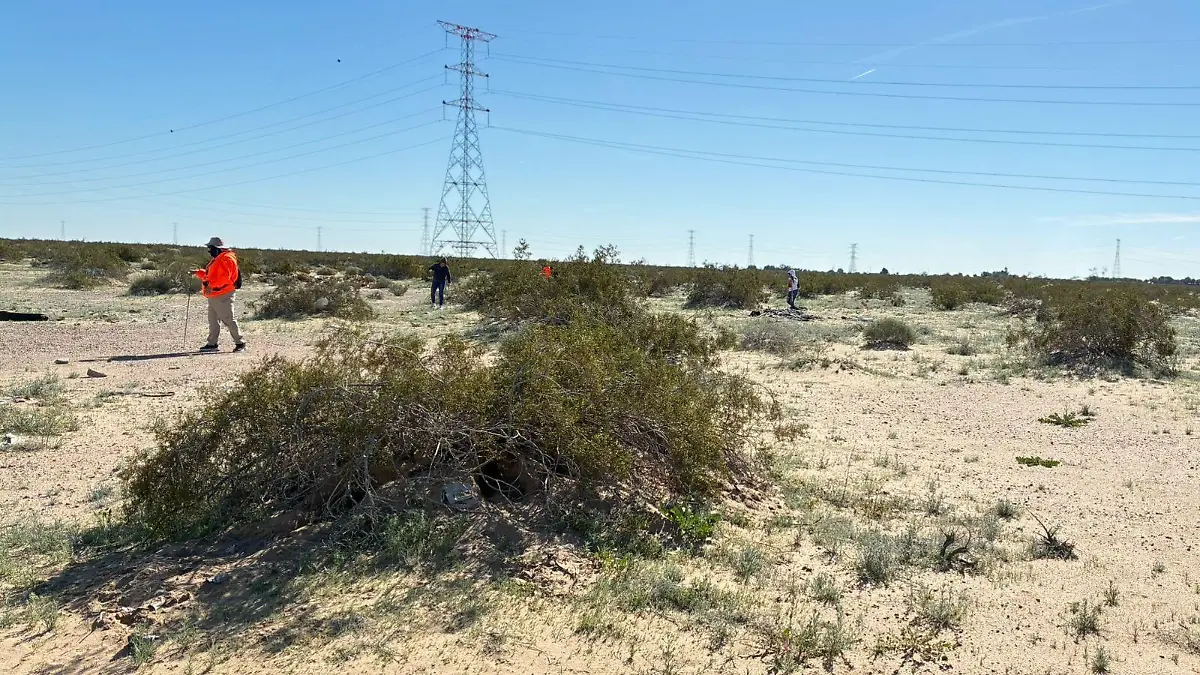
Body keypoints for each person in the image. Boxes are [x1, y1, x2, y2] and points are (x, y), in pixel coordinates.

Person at [192, 237, 246, 352]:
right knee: (213, 320)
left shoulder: (226, 259)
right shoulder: (219, 258)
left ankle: (240, 343)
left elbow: (223, 279)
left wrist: (209, 285)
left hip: (222, 294)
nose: (209, 250)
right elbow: (211, 276)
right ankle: (212, 344)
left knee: (228, 319)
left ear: (217, 248)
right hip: (214, 294)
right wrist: (199, 273)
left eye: (210, 248)